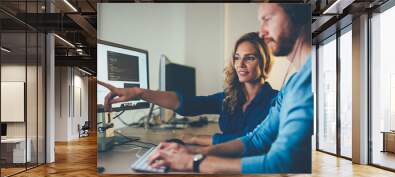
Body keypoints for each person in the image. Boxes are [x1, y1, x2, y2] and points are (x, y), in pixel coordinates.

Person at [148, 3, 313, 174]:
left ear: (297, 14)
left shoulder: (307, 82)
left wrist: (194, 161)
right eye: (237, 58)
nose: (261, 32)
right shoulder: (292, 84)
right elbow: (256, 140)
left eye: (267, 19)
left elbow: (280, 163)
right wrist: (195, 151)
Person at [98, 32, 277, 146]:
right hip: (224, 163)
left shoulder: (276, 101)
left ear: (264, 62)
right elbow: (188, 104)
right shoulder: (229, 98)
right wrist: (140, 93)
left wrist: (196, 139)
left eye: (250, 58)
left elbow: (252, 141)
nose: (241, 64)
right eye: (237, 58)